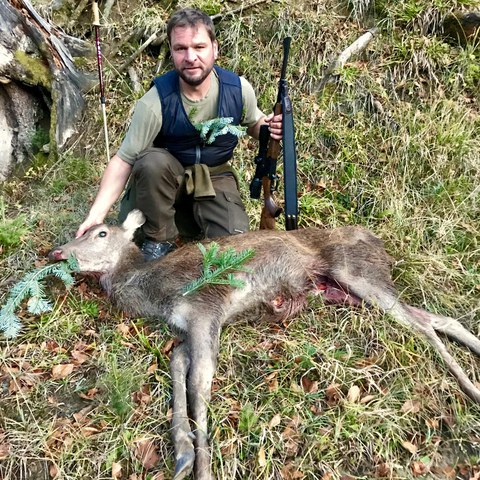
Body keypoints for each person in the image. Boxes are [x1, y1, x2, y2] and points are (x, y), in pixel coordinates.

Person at [76, 8, 282, 260]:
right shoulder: (155, 102)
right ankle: (159, 239)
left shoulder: (238, 89)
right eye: (181, 48)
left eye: (199, 47)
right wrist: (95, 216)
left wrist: (267, 127)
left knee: (233, 248)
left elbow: (253, 122)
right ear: (172, 52)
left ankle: (197, 222)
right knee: (151, 161)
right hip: (167, 179)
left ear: (215, 48)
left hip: (215, 176)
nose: (190, 57)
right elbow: (124, 160)